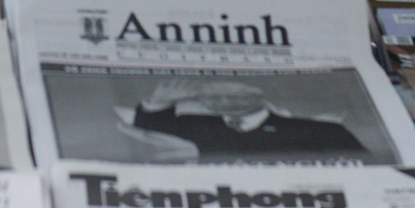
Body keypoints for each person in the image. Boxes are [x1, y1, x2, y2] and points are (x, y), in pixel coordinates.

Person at [125, 79, 371, 161]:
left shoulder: (320, 130)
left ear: (263, 97)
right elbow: (150, 126)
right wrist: (159, 102)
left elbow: (362, 165)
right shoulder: (198, 125)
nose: (224, 101)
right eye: (214, 97)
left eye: (236, 95)